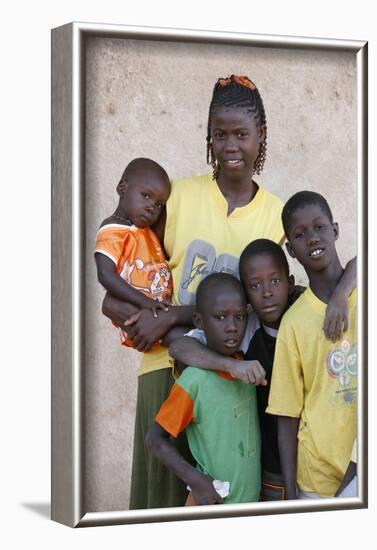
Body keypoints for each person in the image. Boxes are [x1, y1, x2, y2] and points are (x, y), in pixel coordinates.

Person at [102, 75, 354, 509]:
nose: (231, 145)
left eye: (242, 134)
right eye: (220, 134)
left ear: (262, 137)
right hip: (164, 364)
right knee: (161, 501)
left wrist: (172, 314)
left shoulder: (279, 215)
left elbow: (308, 284)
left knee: (229, 496)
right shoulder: (176, 196)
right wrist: (130, 311)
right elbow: (130, 265)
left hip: (237, 377)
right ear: (209, 137)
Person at [170, 239, 295, 501]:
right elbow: (180, 348)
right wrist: (234, 366)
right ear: (246, 297)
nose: (267, 292)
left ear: (290, 283)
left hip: (309, 462)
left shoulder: (302, 314)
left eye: (275, 281)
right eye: (255, 285)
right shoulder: (245, 328)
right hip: (265, 469)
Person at [266, 191, 357, 500]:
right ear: (291, 250)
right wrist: (291, 497)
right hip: (316, 481)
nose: (313, 238)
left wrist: (343, 293)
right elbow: (286, 415)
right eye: (300, 234)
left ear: (335, 229)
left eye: (319, 227)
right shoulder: (294, 324)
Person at [146, 273, 262, 505]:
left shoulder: (245, 368)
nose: (232, 327)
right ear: (199, 322)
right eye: (220, 317)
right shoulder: (194, 381)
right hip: (214, 505)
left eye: (239, 317)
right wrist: (196, 480)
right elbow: (155, 438)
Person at [95, 158, 172, 348]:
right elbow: (105, 274)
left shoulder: (145, 230)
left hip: (158, 310)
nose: (152, 207)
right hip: (138, 312)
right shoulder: (112, 229)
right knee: (181, 340)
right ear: (123, 188)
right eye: (146, 195)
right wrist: (145, 303)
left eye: (159, 204)